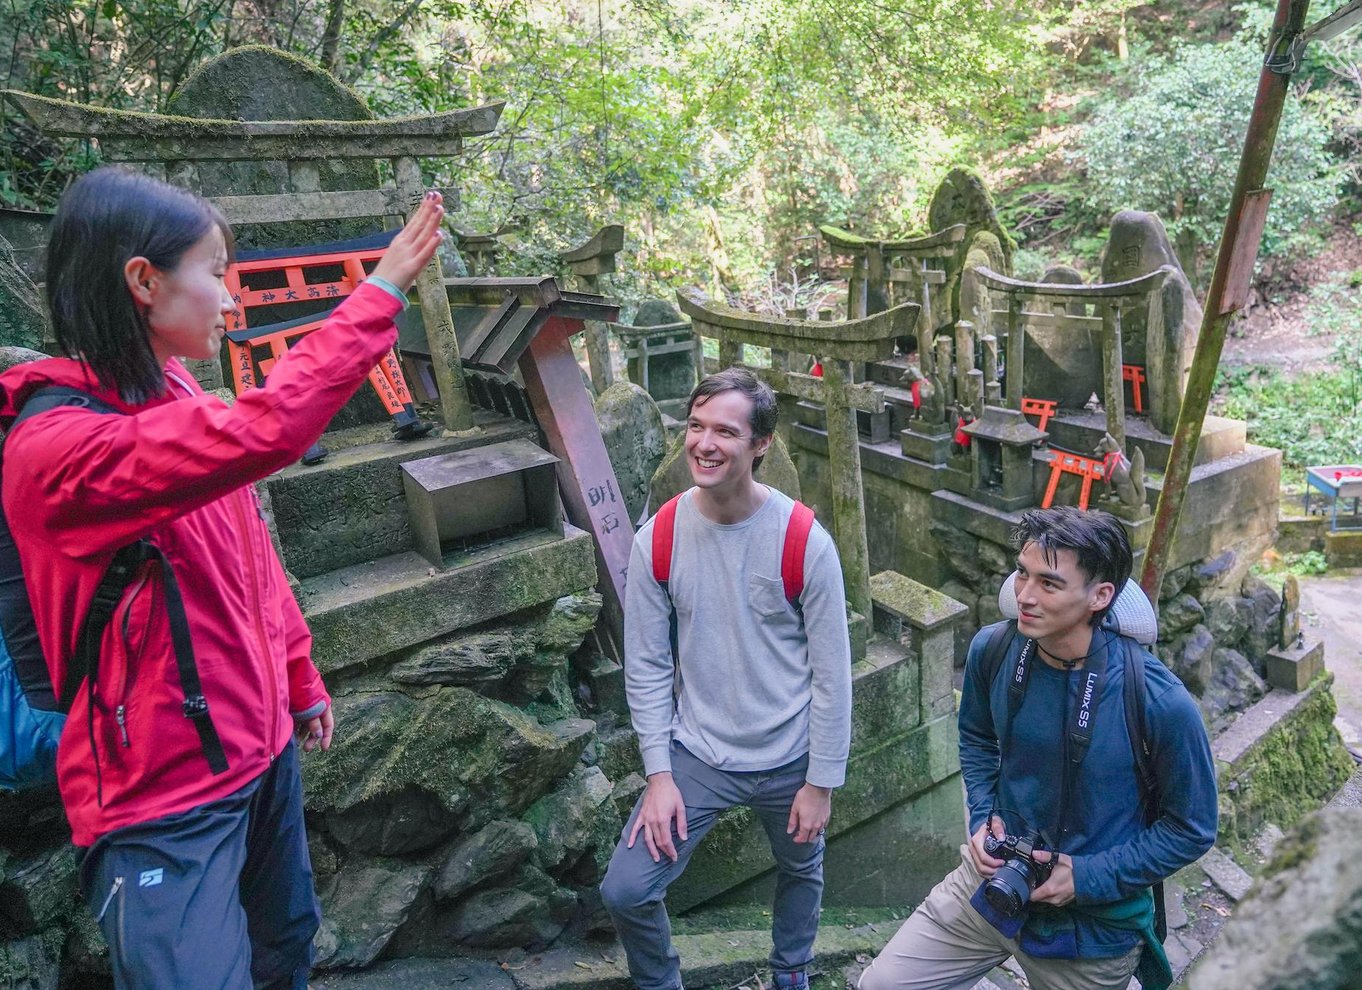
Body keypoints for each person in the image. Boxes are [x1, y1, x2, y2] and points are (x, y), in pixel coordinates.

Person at [0, 166, 445, 990]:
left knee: (286, 954)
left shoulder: (166, 385)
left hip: (260, 747)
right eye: (214, 273)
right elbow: (268, 427)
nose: (232, 301)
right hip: (162, 796)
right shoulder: (55, 450)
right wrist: (377, 292)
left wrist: (297, 674)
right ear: (143, 280)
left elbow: (245, 556)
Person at [857, 506, 1217, 990]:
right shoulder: (995, 649)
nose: (1024, 596)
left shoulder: (1158, 701)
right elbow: (979, 739)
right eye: (1022, 574)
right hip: (991, 885)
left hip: (1091, 928)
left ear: (1100, 595)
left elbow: (1191, 828)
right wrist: (983, 818)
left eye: (1048, 584)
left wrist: (1085, 877)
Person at [600, 369, 853, 990]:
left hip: (790, 749)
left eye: (725, 431)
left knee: (801, 865)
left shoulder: (803, 542)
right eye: (695, 426)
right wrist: (659, 774)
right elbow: (650, 666)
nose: (704, 443)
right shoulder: (657, 538)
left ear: (760, 444)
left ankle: (790, 970)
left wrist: (821, 781)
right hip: (700, 751)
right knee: (626, 889)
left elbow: (832, 674)